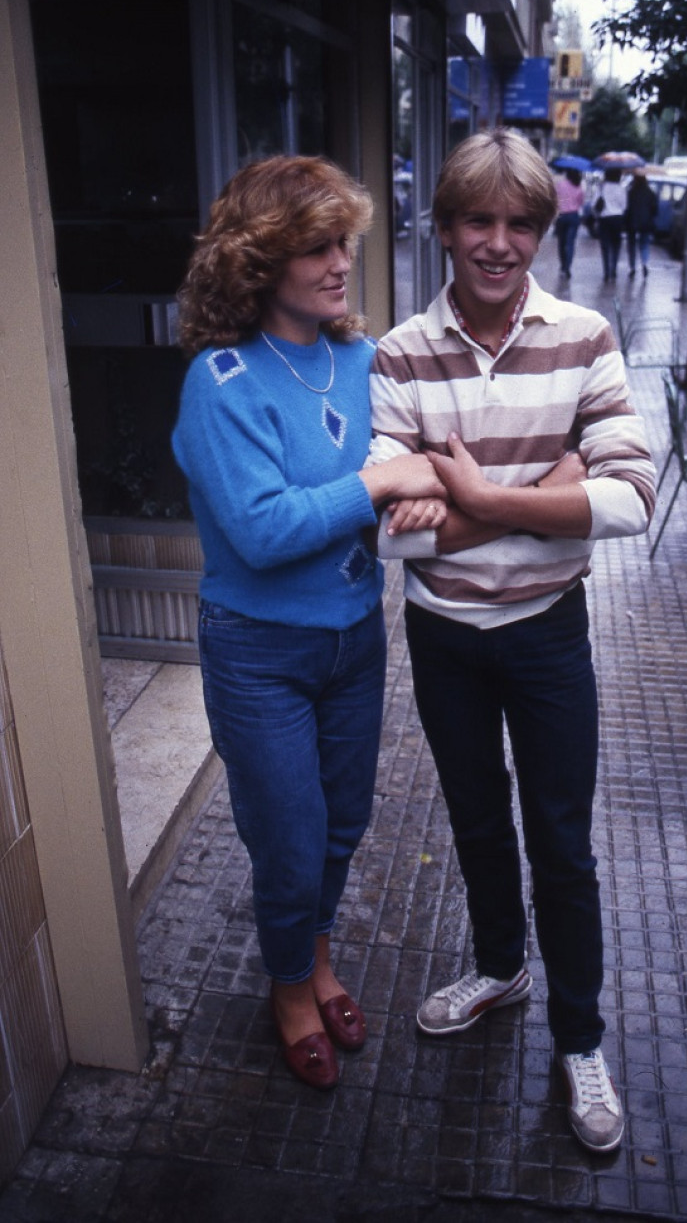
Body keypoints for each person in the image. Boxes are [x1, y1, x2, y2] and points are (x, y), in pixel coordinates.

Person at [368, 129, 656, 1153]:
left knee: (562, 842)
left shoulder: (581, 337)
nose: (497, 243)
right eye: (477, 221)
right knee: (476, 823)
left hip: (545, 633)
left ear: (542, 228)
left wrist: (472, 494)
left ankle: (580, 1038)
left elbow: (630, 498)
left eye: (519, 223)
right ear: (444, 227)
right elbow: (383, 538)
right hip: (442, 636)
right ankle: (500, 967)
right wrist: (536, 493)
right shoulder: (399, 354)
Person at [171, 155, 445, 1092]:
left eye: (345, 244)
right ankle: (291, 990)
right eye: (317, 248)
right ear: (259, 261)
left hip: (355, 641)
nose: (341, 264)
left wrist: (413, 499)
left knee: (343, 826)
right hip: (257, 652)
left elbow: (422, 464)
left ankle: (317, 959)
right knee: (288, 843)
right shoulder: (222, 380)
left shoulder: (366, 362)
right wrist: (379, 484)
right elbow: (259, 529)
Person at [595, 167, 627, 281]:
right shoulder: (621, 189)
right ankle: (614, 269)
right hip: (617, 218)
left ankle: (606, 271)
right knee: (616, 245)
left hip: (604, 218)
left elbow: (595, 204)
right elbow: (624, 206)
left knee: (605, 246)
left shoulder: (602, 188)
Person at [625, 169, 659, 276]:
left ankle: (632, 267)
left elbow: (627, 209)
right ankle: (644, 264)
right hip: (646, 223)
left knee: (631, 245)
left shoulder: (630, 192)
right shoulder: (651, 193)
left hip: (632, 222)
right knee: (644, 244)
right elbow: (655, 210)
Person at [554, 167, 584, 278]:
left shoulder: (560, 185)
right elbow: (581, 202)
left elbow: (555, 199)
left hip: (562, 216)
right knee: (570, 243)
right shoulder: (578, 186)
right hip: (574, 216)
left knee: (561, 243)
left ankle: (562, 266)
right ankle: (567, 267)